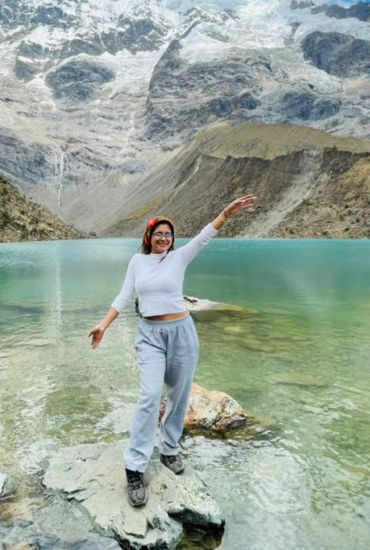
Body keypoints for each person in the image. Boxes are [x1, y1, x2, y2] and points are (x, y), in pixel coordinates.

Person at [88, 195, 257, 507]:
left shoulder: (179, 257)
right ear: (148, 238)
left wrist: (225, 213)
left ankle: (169, 450)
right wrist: (103, 325)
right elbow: (124, 296)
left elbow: (206, 235)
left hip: (182, 333)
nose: (164, 238)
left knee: (179, 397)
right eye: (158, 234)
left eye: (168, 234)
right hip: (150, 336)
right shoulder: (137, 262)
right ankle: (135, 468)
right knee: (150, 396)